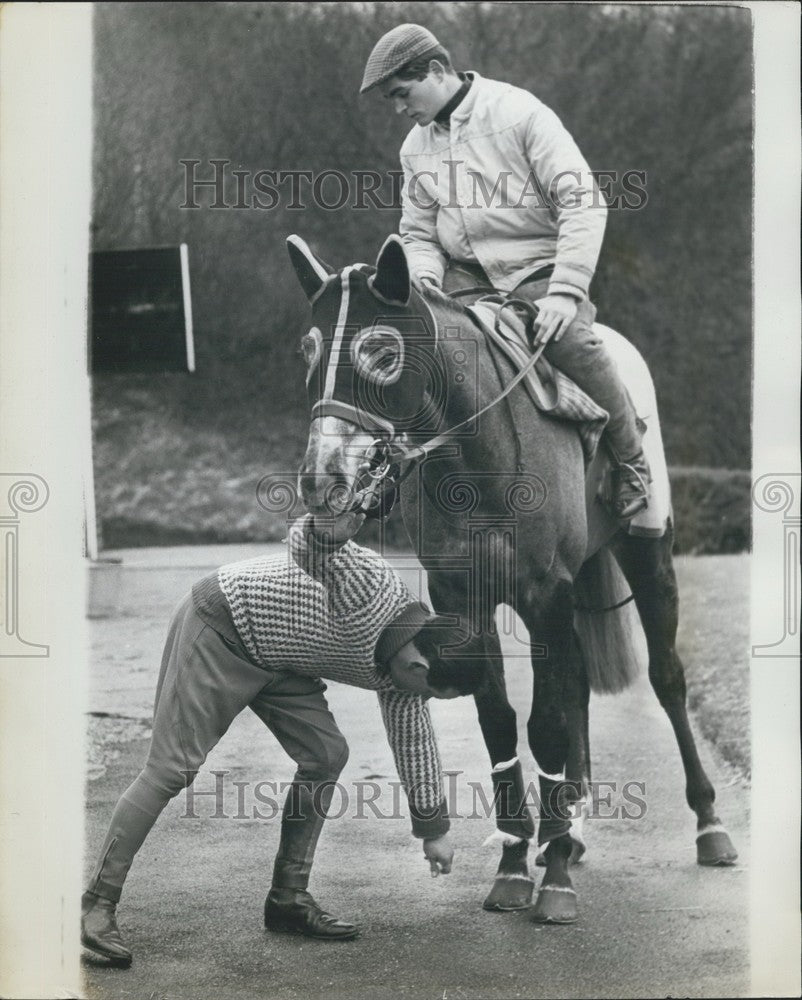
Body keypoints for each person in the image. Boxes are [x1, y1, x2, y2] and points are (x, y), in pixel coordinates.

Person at [81, 513, 483, 966]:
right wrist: (328, 525)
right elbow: (309, 547)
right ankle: (96, 903)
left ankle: (288, 898)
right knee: (171, 769)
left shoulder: (403, 676)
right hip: (223, 625)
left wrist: (434, 831)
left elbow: (415, 745)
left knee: (326, 754)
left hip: (282, 658)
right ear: (419, 668)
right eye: (430, 693)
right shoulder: (372, 587)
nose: (422, 701)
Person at [360, 23, 650, 519]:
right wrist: (425, 281)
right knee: (418, 349)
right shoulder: (414, 148)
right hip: (464, 281)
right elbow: (419, 234)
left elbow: (582, 200)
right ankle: (388, 471)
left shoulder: (519, 112)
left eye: (402, 93)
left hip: (539, 271)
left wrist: (565, 292)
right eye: (392, 99)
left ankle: (631, 462)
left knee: (570, 343)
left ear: (436, 70)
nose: (399, 108)